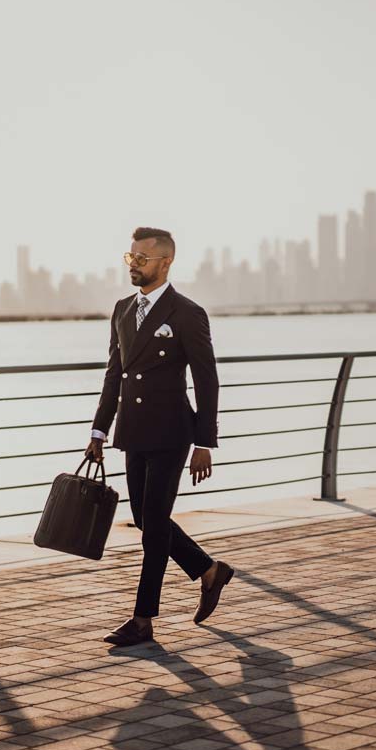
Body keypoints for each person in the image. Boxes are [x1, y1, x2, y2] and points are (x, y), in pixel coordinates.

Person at [86, 227, 234, 646]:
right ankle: (209, 571)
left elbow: (207, 379)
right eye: (129, 257)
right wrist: (99, 429)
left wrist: (204, 442)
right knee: (147, 518)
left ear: (165, 262)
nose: (133, 265)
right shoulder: (121, 309)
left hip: (172, 432)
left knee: (153, 528)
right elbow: (114, 374)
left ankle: (142, 619)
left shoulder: (186, 312)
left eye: (142, 259)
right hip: (132, 432)